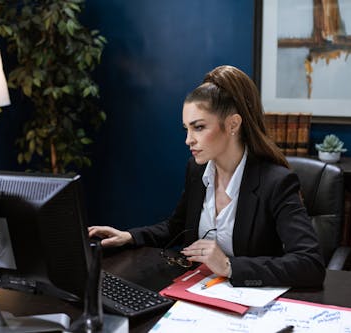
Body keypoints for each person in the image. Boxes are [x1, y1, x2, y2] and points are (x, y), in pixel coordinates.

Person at [89, 65, 325, 287]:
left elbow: (310, 264)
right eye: (187, 129)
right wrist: (129, 236)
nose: (188, 139)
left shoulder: (276, 182)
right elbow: (176, 227)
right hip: (198, 294)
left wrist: (229, 266)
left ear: (233, 125)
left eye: (199, 127)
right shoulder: (197, 169)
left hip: (249, 306)